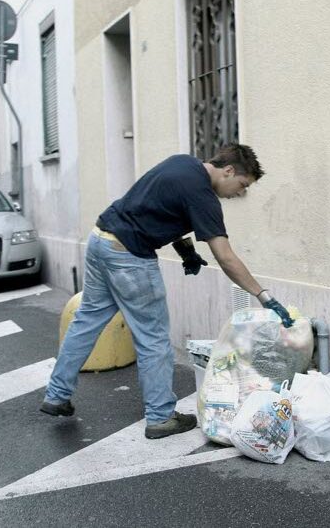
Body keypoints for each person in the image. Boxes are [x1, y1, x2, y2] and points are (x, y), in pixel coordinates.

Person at [39, 144, 295, 439]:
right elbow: (225, 257)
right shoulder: (203, 196)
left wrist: (186, 251)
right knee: (153, 337)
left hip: (101, 239)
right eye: (242, 185)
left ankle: (56, 396)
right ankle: (160, 417)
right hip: (129, 255)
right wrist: (264, 296)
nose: (239, 193)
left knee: (87, 320)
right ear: (228, 171)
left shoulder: (183, 164)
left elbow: (160, 209)